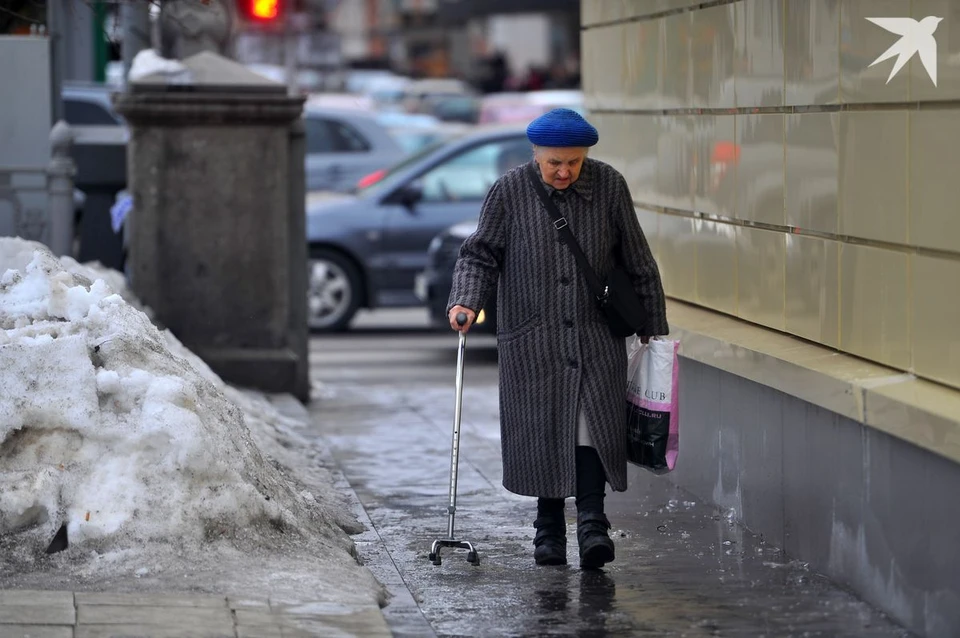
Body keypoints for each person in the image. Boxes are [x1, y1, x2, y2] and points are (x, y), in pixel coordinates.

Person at [446, 108, 669, 570]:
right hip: (533, 338)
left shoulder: (609, 185)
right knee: (545, 431)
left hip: (594, 335)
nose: (565, 171)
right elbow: (480, 254)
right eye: (555, 163)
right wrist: (466, 300)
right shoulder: (510, 190)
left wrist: (653, 325)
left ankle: (592, 525)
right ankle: (547, 531)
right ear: (537, 155)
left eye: (574, 162)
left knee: (590, 429)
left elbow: (637, 259)